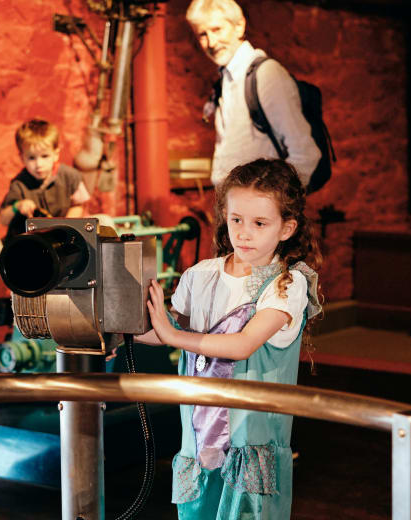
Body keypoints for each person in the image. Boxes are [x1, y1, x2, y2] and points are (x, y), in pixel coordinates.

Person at [137, 158, 322, 519]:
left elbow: (242, 344)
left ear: (286, 228)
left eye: (259, 223)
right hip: (198, 443)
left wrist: (173, 334)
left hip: (250, 451)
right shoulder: (201, 275)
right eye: (236, 219)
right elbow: (166, 331)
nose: (244, 233)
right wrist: (115, 333)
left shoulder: (288, 284)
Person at [186, 0, 321, 188]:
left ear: (239, 26)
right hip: (238, 211)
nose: (211, 42)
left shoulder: (266, 74)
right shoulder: (227, 80)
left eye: (217, 30)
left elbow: (306, 153)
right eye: (202, 34)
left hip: (257, 213)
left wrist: (272, 207)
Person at [0, 118, 91, 263]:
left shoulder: (71, 176)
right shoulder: (19, 183)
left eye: (45, 156)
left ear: (56, 153)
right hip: (35, 242)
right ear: (22, 158)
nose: (39, 164)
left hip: (66, 238)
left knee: (105, 220)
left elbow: (79, 204)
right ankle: (29, 283)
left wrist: (65, 226)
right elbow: (3, 219)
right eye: (31, 158)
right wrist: (18, 206)